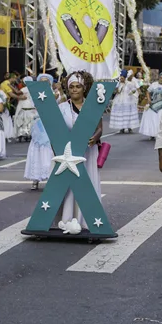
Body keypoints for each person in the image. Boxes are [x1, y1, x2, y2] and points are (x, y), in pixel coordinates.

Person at [53, 72, 103, 228]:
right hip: (67, 153)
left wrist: (95, 137)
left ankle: (87, 221)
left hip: (88, 152)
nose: (75, 90)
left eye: (78, 87)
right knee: (68, 187)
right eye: (72, 87)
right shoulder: (62, 108)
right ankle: (67, 219)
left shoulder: (92, 106)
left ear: (84, 88)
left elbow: (100, 127)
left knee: (87, 183)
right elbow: (55, 131)